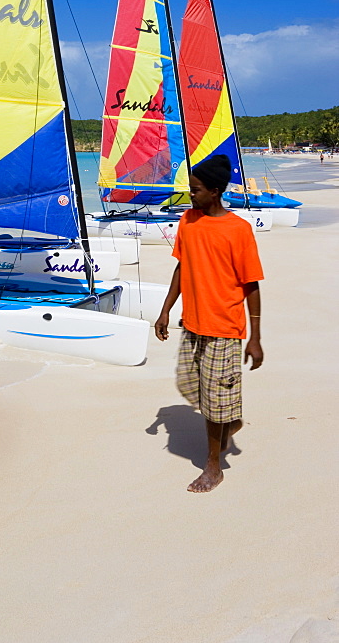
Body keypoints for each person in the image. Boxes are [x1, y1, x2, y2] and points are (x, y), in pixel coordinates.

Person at [154, 154, 264, 493]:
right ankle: (230, 421)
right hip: (193, 324)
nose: (191, 195)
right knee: (193, 388)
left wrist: (255, 337)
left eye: (196, 190)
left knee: (213, 400)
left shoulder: (238, 230)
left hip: (224, 328)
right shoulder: (188, 220)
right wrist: (165, 309)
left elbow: (252, 284)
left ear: (215, 192)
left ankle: (213, 466)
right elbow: (181, 268)